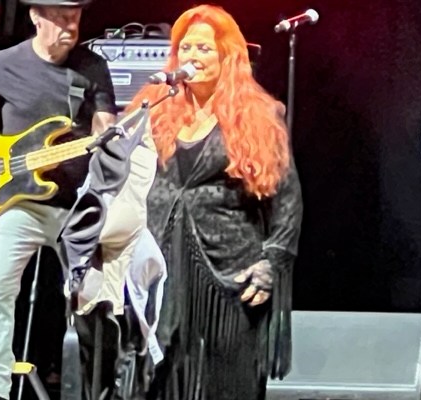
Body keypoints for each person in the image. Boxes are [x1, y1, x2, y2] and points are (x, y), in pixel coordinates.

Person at [125, 4, 303, 400]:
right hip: (163, 265)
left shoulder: (259, 113)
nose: (192, 56)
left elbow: (287, 198)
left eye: (204, 48)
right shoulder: (155, 104)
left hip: (232, 271)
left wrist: (272, 262)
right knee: (162, 375)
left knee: (230, 378)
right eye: (186, 47)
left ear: (228, 56)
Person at [0, 0, 117, 398]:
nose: (70, 26)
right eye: (61, 18)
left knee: (92, 298)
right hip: (19, 204)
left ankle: (92, 388)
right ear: (36, 17)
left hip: (76, 208)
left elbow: (105, 129)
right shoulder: (7, 62)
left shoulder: (91, 67)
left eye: (75, 18)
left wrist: (112, 143)